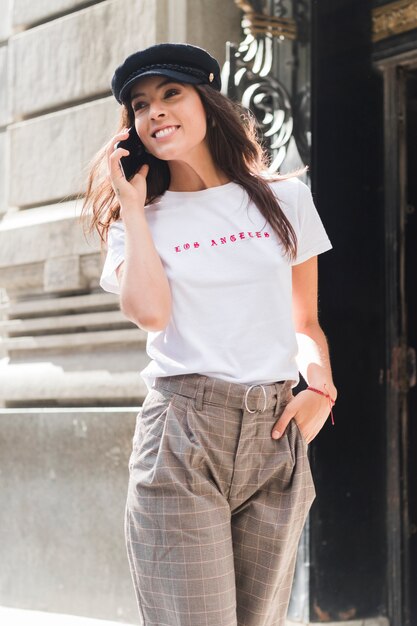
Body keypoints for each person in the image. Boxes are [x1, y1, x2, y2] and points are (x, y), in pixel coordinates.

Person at [82, 42, 337, 626]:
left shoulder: (285, 200)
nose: (156, 112)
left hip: (275, 435)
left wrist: (319, 386)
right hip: (184, 433)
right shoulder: (135, 221)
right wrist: (134, 209)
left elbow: (304, 323)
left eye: (171, 93)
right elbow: (149, 312)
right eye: (140, 105)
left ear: (207, 103)